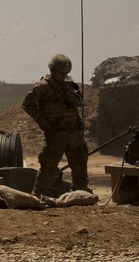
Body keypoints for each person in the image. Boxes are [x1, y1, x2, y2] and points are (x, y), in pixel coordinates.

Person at [22, 53, 91, 197]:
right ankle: (38, 195)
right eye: (62, 73)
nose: (64, 76)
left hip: (74, 132)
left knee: (80, 163)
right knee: (49, 166)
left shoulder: (68, 87)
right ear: (53, 70)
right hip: (56, 133)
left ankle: (80, 192)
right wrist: (44, 123)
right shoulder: (42, 87)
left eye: (66, 74)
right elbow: (27, 104)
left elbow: (78, 104)